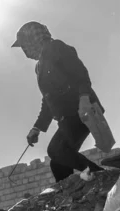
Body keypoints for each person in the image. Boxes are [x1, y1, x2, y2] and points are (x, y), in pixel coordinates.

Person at [12, 21, 105, 182]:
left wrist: (84, 100)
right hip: (67, 117)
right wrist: (37, 128)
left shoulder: (56, 47)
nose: (25, 51)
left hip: (82, 110)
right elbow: (48, 101)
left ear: (32, 39)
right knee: (59, 165)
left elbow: (80, 74)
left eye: (24, 46)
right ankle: (73, 200)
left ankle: (102, 177)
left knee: (56, 149)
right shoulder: (39, 67)